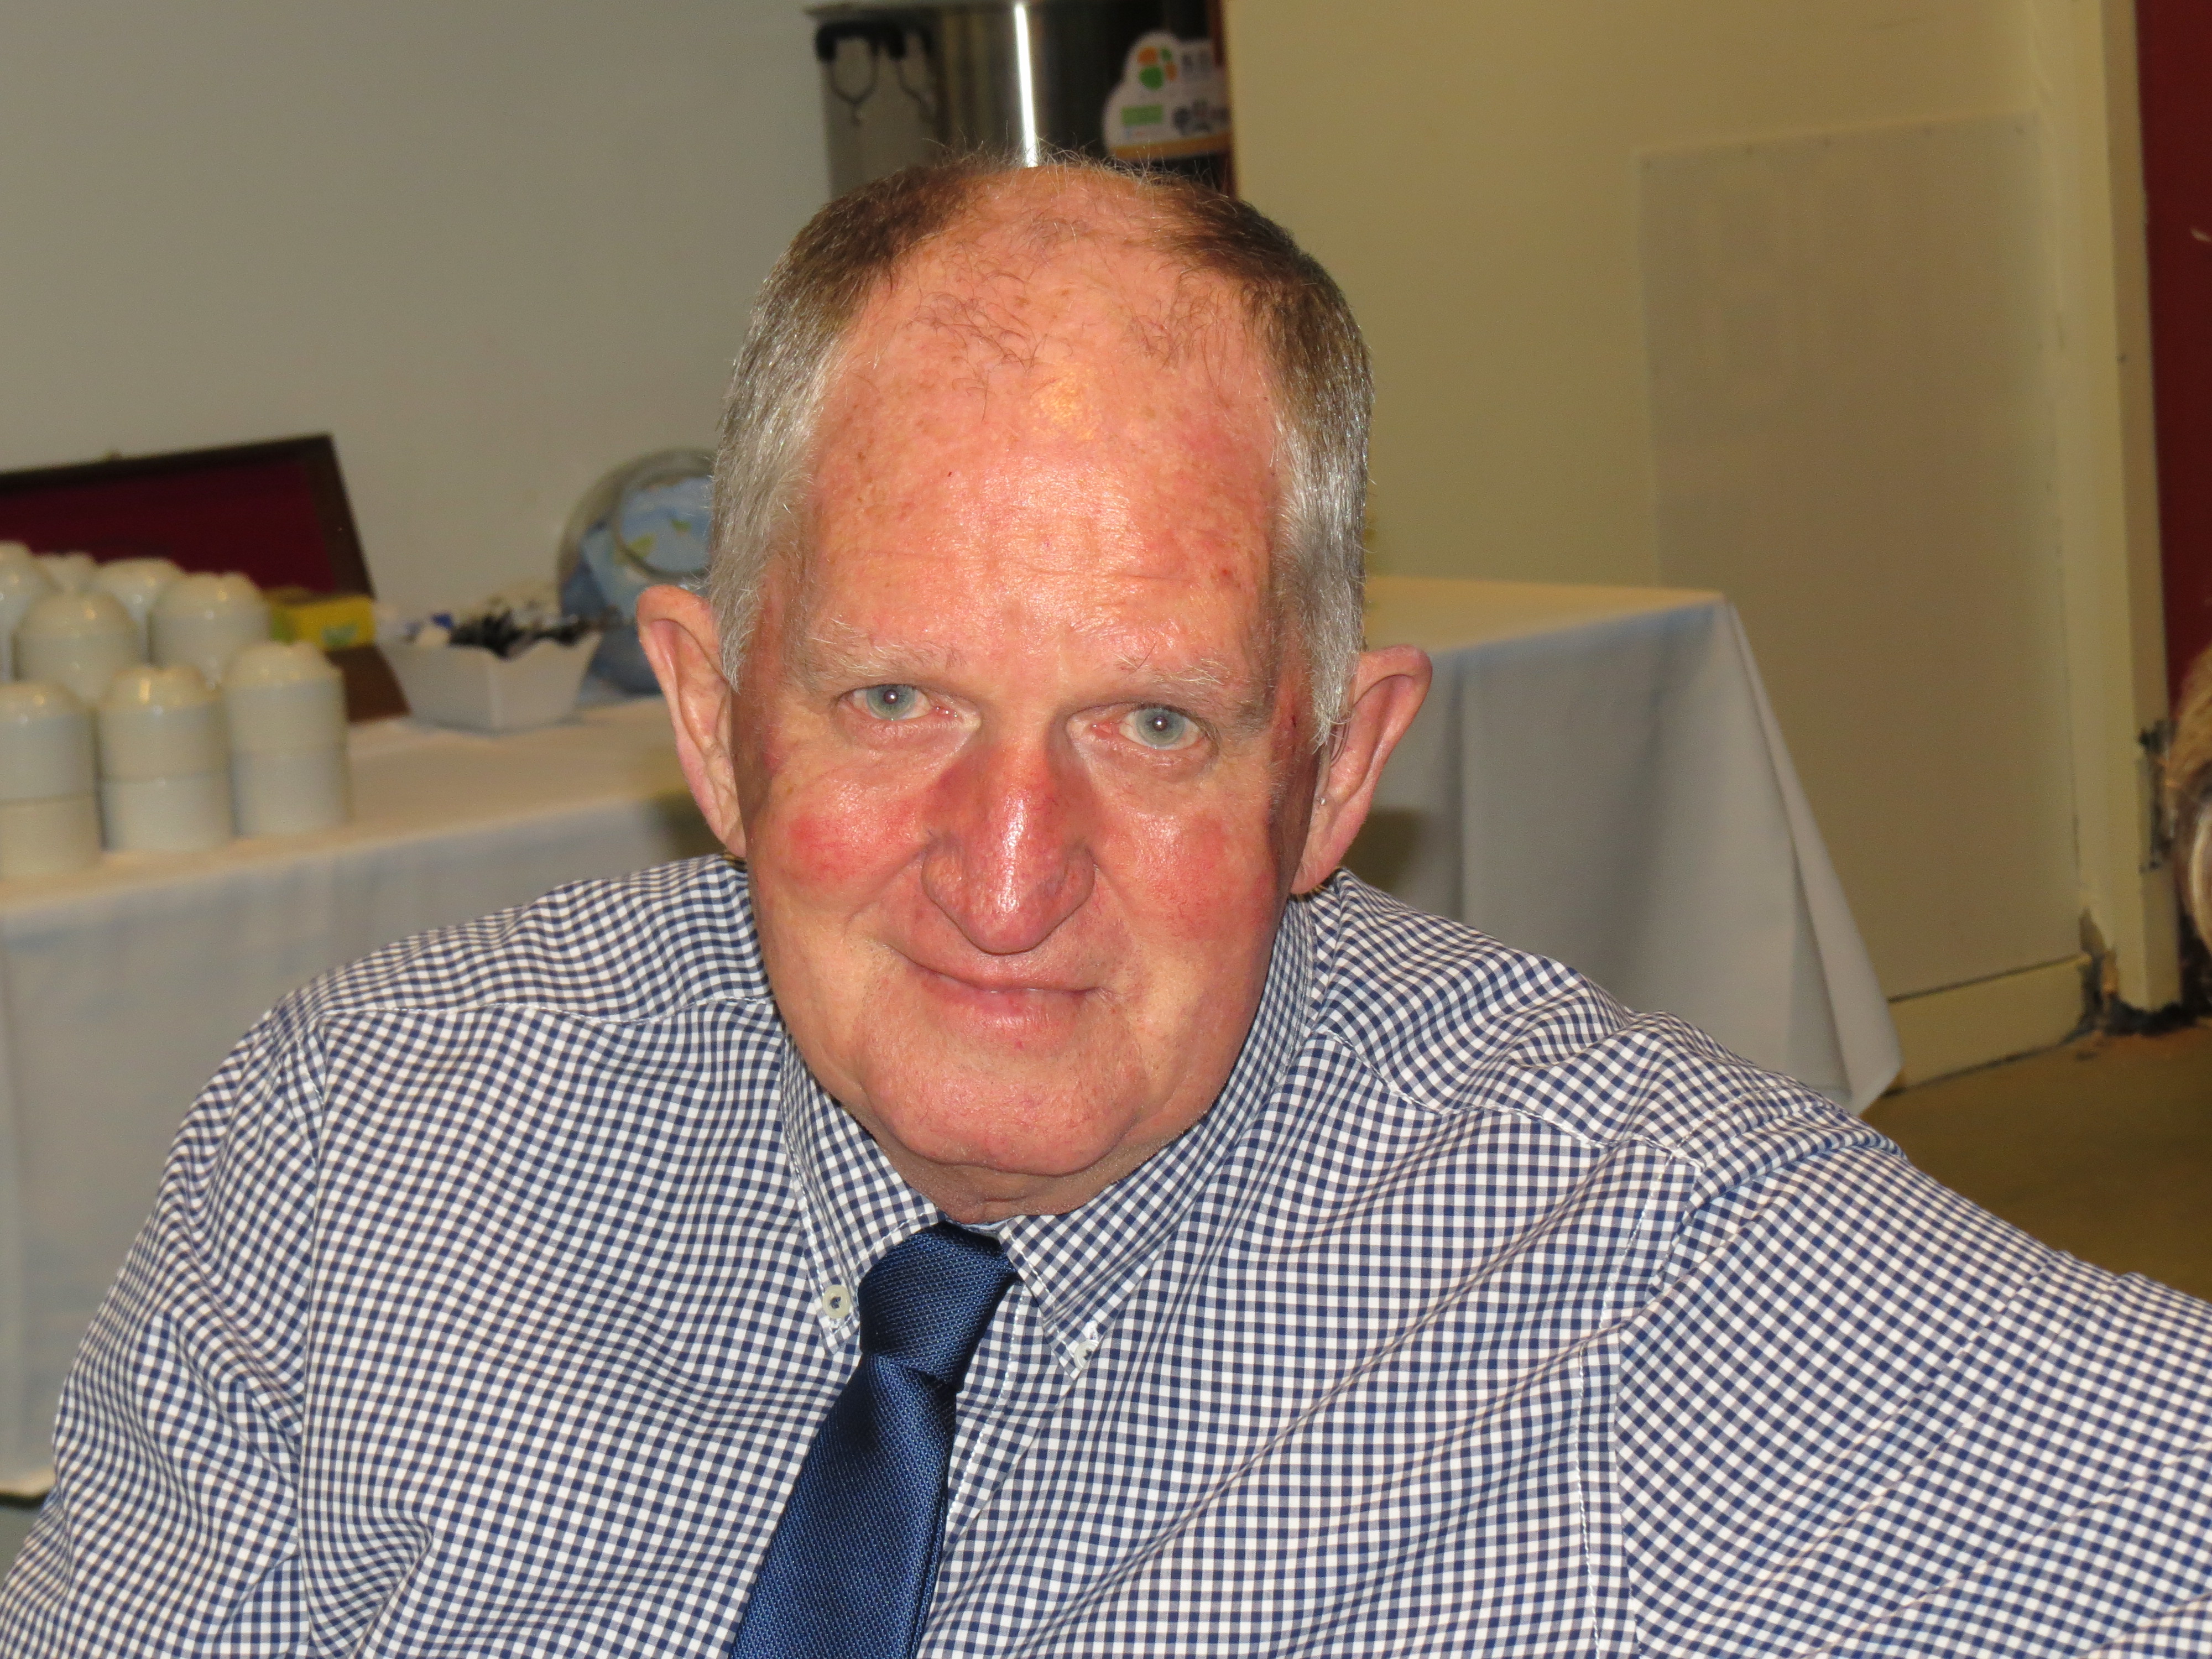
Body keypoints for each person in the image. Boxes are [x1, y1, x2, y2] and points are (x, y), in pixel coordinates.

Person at [4, 157, 2210, 1657]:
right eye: (893, 700)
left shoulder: (1636, 1255)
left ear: (1333, 772)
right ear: (708, 719)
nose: (1005, 877)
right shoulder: (362, 1142)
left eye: (1153, 726)